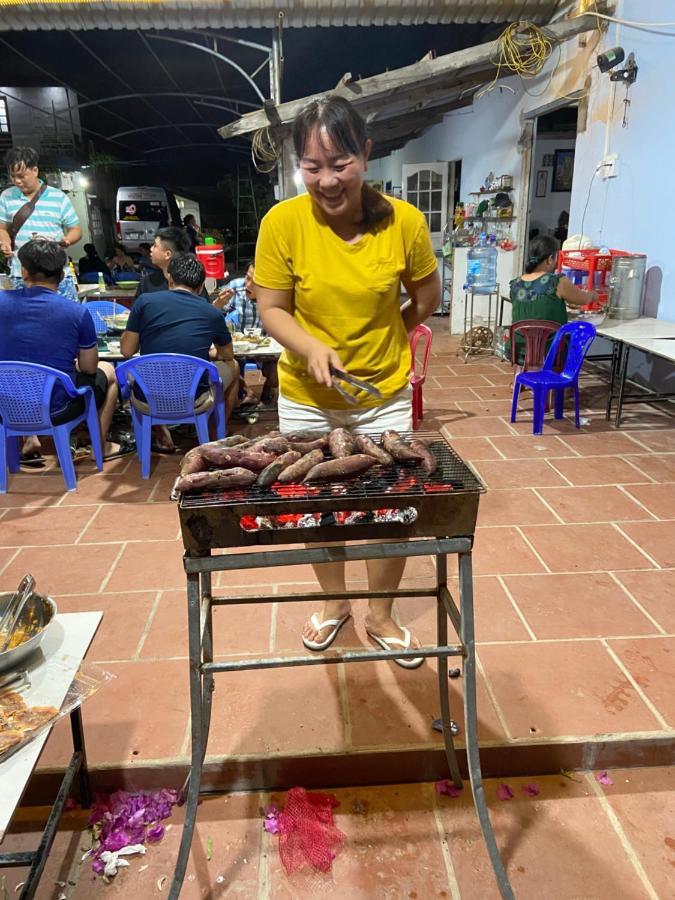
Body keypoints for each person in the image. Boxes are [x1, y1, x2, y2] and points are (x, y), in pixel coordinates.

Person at [254, 96, 440, 667]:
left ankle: (380, 614)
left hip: (381, 396)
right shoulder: (282, 223)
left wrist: (391, 337)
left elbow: (427, 298)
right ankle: (335, 602)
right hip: (308, 397)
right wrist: (310, 348)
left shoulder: (403, 222)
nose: (327, 181)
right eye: (312, 167)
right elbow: (272, 308)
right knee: (318, 504)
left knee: (388, 508)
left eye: (340, 164)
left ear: (366, 152)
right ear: (297, 167)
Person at [0, 239, 131, 464]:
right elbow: (89, 368)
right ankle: (100, 447)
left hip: (5, 405)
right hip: (57, 407)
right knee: (108, 372)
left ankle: (29, 438)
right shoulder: (76, 312)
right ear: (62, 275)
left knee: (18, 370)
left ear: (24, 272)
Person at [121, 253, 240, 453]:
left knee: (143, 375)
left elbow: (126, 350)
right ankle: (214, 435)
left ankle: (160, 430)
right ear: (201, 286)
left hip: (147, 398)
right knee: (234, 367)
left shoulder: (144, 302)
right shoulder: (211, 312)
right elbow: (227, 355)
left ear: (170, 278)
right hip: (193, 397)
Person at [0, 146, 81, 301]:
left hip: (56, 276)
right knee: (25, 323)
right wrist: (4, 242)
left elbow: (76, 230)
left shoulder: (58, 197)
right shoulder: (6, 197)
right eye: (12, 176)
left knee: (64, 319)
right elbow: (2, 228)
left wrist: (68, 239)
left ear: (35, 170)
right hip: (21, 274)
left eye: (21, 176)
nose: (17, 181)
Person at [509, 234, 600, 361]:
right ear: (550, 259)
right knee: (576, 339)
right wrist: (594, 295)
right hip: (550, 353)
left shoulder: (515, 284)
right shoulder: (557, 281)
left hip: (519, 351)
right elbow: (584, 299)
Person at [218, 262, 279, 406]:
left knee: (276, 366)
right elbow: (215, 313)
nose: (248, 285)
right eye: (247, 277)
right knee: (228, 362)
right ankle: (244, 392)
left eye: (255, 282)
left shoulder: (275, 295)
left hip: (265, 344)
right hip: (239, 344)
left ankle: (266, 391)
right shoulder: (235, 287)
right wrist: (219, 304)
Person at [133, 226, 194, 298]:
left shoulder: (192, 280)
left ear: (168, 254)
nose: (151, 249)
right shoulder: (146, 282)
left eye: (155, 245)